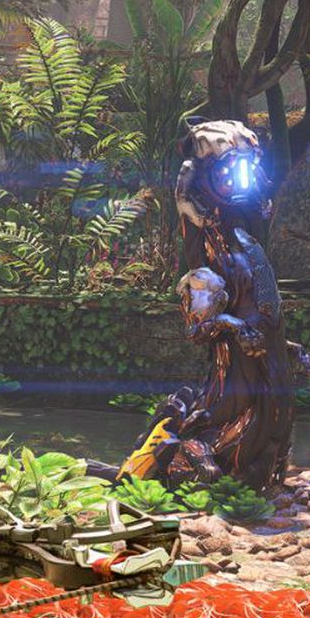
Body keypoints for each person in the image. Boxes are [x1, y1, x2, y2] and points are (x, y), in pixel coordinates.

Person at [119, 119, 299, 491]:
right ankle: (186, 460)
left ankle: (262, 473)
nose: (238, 178)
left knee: (273, 423)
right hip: (235, 381)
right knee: (230, 432)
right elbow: (197, 329)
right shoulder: (208, 256)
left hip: (269, 368)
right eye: (229, 169)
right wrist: (233, 326)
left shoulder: (244, 238)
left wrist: (287, 348)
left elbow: (265, 306)